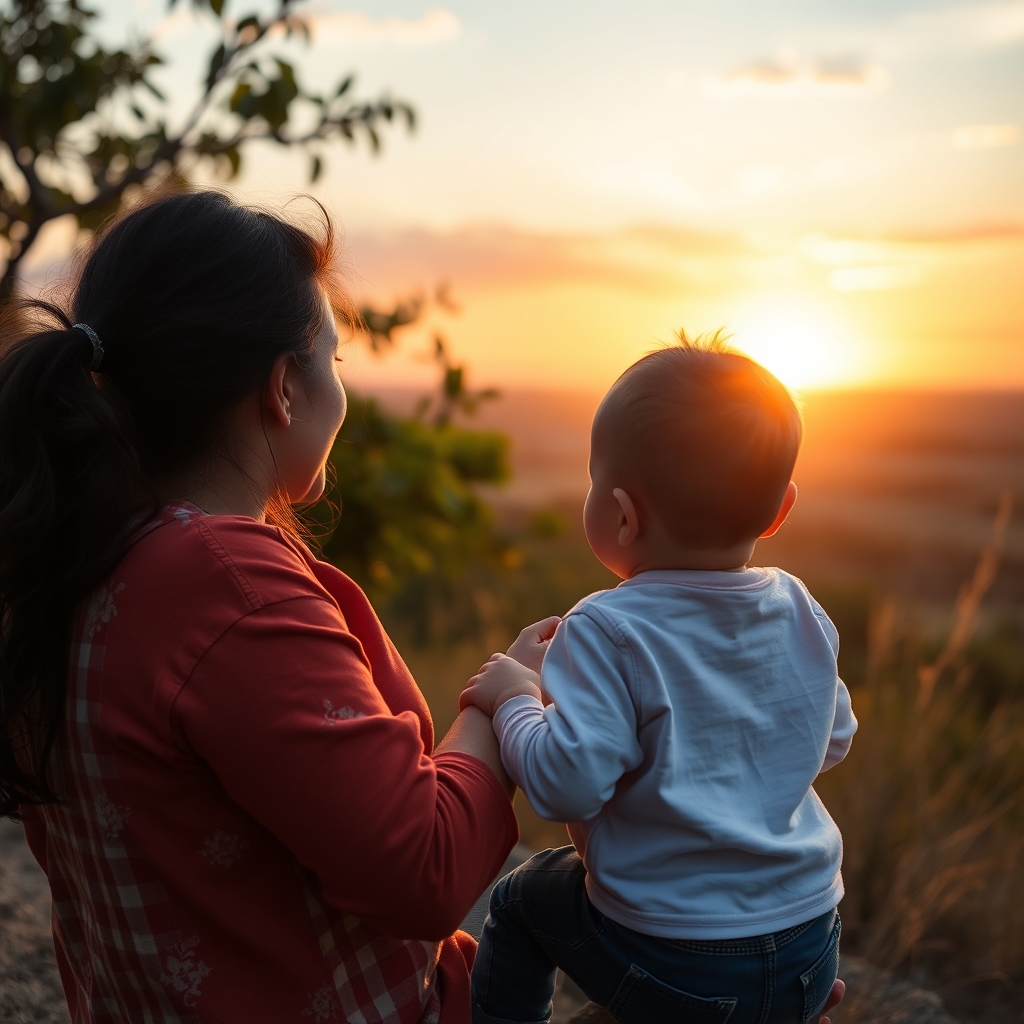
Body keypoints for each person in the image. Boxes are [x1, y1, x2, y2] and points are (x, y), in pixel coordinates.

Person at [0, 190, 531, 1023]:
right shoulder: (221, 582)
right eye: (335, 363)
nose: (340, 393)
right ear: (283, 388)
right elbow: (423, 869)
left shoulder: (71, 552)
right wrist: (499, 709)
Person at [461, 336, 857, 1024]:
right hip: (808, 953)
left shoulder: (608, 627)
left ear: (621, 513)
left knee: (523, 901)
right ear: (779, 508)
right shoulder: (800, 606)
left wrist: (516, 699)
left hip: (675, 961)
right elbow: (833, 737)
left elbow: (565, 783)